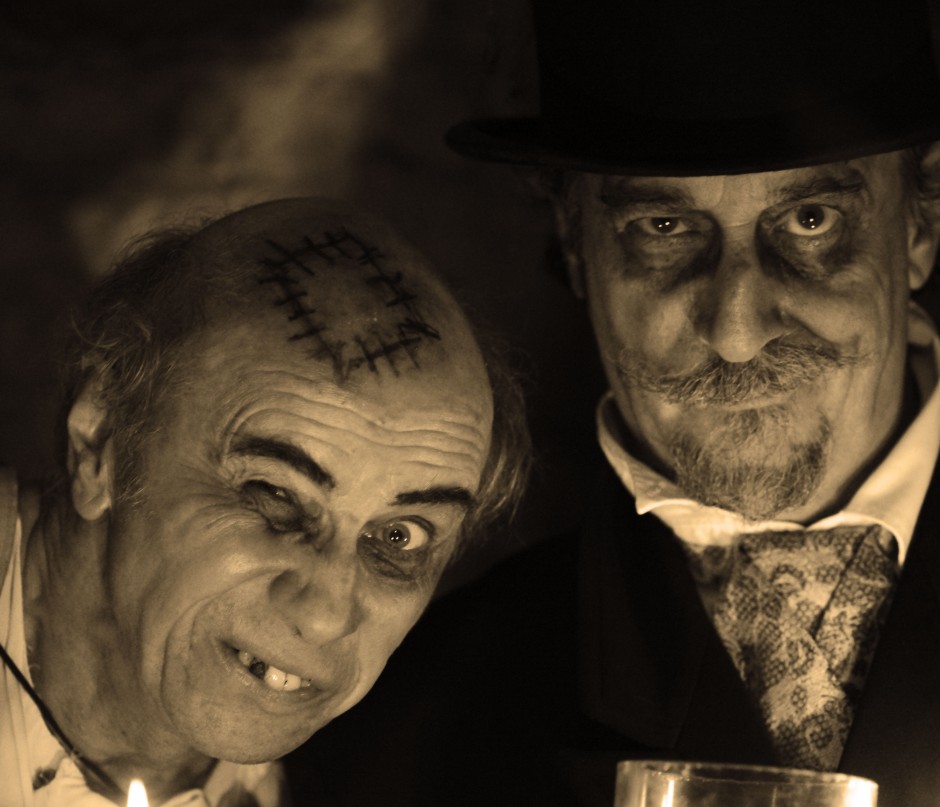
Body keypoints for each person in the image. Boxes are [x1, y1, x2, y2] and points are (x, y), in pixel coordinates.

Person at [284, 1, 940, 806]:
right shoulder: (404, 724)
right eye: (664, 226)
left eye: (811, 219)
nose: (736, 331)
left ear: (921, 223)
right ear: (573, 240)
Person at [0, 196, 529, 806]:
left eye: (399, 536)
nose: (326, 615)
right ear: (101, 441)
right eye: (275, 493)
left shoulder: (383, 772)